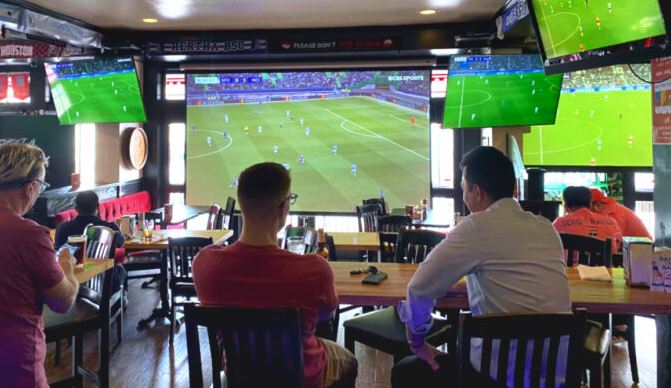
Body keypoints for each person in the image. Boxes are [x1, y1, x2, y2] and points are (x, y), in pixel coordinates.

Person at [392, 146, 570, 387]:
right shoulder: (546, 228)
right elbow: (516, 284)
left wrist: (417, 343)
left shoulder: (476, 227)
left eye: (463, 188)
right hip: (554, 376)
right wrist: (461, 288)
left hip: (494, 377)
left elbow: (419, 288)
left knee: (406, 370)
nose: (463, 196)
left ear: (477, 192)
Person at [192, 163, 357, 388]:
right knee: (349, 361)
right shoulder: (315, 270)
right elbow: (326, 315)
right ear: (283, 208)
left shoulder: (205, 263)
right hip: (300, 377)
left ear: (242, 203)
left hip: (240, 377)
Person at [0, 140, 79, 388]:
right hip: (12, 367)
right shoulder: (29, 234)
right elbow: (62, 301)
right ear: (31, 187)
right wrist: (67, 266)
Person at [54, 191, 127, 294]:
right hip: (103, 283)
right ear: (98, 207)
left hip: (69, 285)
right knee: (121, 270)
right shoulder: (110, 228)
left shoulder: (63, 227)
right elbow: (121, 243)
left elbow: (58, 248)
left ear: (76, 208)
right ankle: (121, 301)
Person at [553, 186, 623, 257]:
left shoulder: (559, 223)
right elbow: (618, 245)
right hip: (605, 267)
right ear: (590, 204)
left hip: (570, 267)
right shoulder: (611, 222)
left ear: (566, 207)